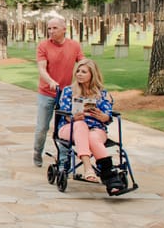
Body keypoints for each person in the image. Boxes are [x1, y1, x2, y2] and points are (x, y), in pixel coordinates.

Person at [33, 17, 84, 167]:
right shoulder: (43, 46)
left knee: (65, 126)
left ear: (64, 29)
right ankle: (37, 152)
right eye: (49, 28)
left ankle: (63, 159)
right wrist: (50, 81)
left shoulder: (74, 46)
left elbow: (83, 63)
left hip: (67, 95)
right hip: (47, 92)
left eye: (55, 28)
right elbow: (42, 68)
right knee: (42, 126)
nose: (51, 31)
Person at [57, 59, 115, 188]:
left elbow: (108, 116)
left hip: (95, 129)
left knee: (92, 137)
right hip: (70, 128)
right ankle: (88, 168)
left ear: (92, 75)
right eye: (78, 71)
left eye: (83, 72)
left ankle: (110, 176)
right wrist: (74, 117)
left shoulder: (102, 94)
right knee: (81, 125)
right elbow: (64, 113)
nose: (79, 74)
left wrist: (103, 116)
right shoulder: (68, 91)